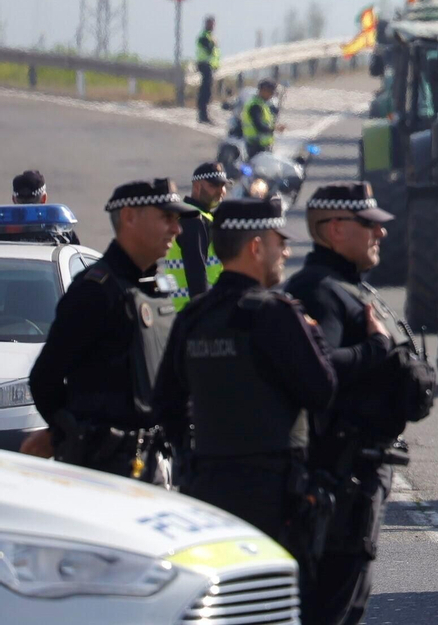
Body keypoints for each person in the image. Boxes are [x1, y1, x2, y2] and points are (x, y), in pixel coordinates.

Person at [152, 197, 337, 583]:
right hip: (274, 492)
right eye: (279, 241)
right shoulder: (276, 314)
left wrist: (192, 456)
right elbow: (322, 390)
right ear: (256, 247)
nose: (286, 251)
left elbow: (165, 403)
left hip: (208, 488)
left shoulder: (193, 317)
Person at [284, 182, 433, 625]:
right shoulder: (320, 291)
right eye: (368, 225)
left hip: (358, 475)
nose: (380, 234)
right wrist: (374, 348)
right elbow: (319, 371)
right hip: (339, 475)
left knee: (350, 601)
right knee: (333, 606)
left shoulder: (350, 288)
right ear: (333, 230)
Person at [22, 179, 196, 476]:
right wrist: (73, 433)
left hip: (154, 462)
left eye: (177, 220)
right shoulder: (95, 292)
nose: (176, 229)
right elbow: (44, 379)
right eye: (166, 217)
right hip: (103, 469)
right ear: (129, 217)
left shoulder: (154, 290)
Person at [163, 162, 228, 311]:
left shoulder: (200, 216)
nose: (221, 191)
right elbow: (196, 273)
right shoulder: (192, 219)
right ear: (197, 186)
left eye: (223, 186)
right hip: (191, 310)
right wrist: (202, 316)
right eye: (214, 186)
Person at [242, 78, 283, 158]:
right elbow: (259, 125)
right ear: (263, 90)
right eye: (270, 92)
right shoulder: (255, 105)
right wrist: (275, 128)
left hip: (262, 145)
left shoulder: (262, 104)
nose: (271, 95)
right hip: (255, 145)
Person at [196, 16, 220, 124]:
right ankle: (202, 115)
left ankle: (204, 115)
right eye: (210, 24)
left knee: (208, 91)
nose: (212, 26)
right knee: (205, 92)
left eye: (213, 24)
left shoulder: (210, 36)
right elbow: (209, 49)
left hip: (210, 65)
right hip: (205, 65)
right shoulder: (204, 36)